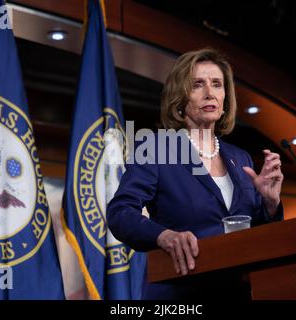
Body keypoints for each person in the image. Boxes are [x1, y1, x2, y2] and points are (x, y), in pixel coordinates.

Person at [107, 48, 284, 299]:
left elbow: (258, 235)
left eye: (217, 84)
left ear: (225, 97)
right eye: (198, 84)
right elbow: (120, 213)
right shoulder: (157, 149)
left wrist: (270, 203)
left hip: (239, 291)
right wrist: (163, 236)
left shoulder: (240, 157)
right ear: (180, 97)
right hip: (180, 293)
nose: (210, 93)